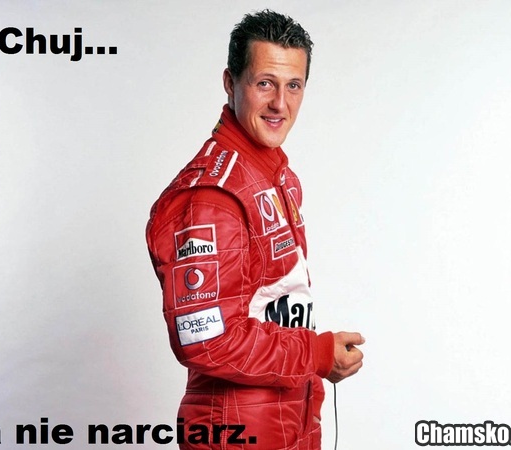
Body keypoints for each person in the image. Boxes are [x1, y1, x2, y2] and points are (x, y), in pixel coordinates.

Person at [146, 10, 364, 450]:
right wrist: (317, 353)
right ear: (231, 83)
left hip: (290, 421)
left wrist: (314, 360)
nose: (280, 103)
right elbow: (207, 340)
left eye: (293, 86)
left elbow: (269, 305)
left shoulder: (275, 178)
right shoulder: (212, 197)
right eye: (265, 83)